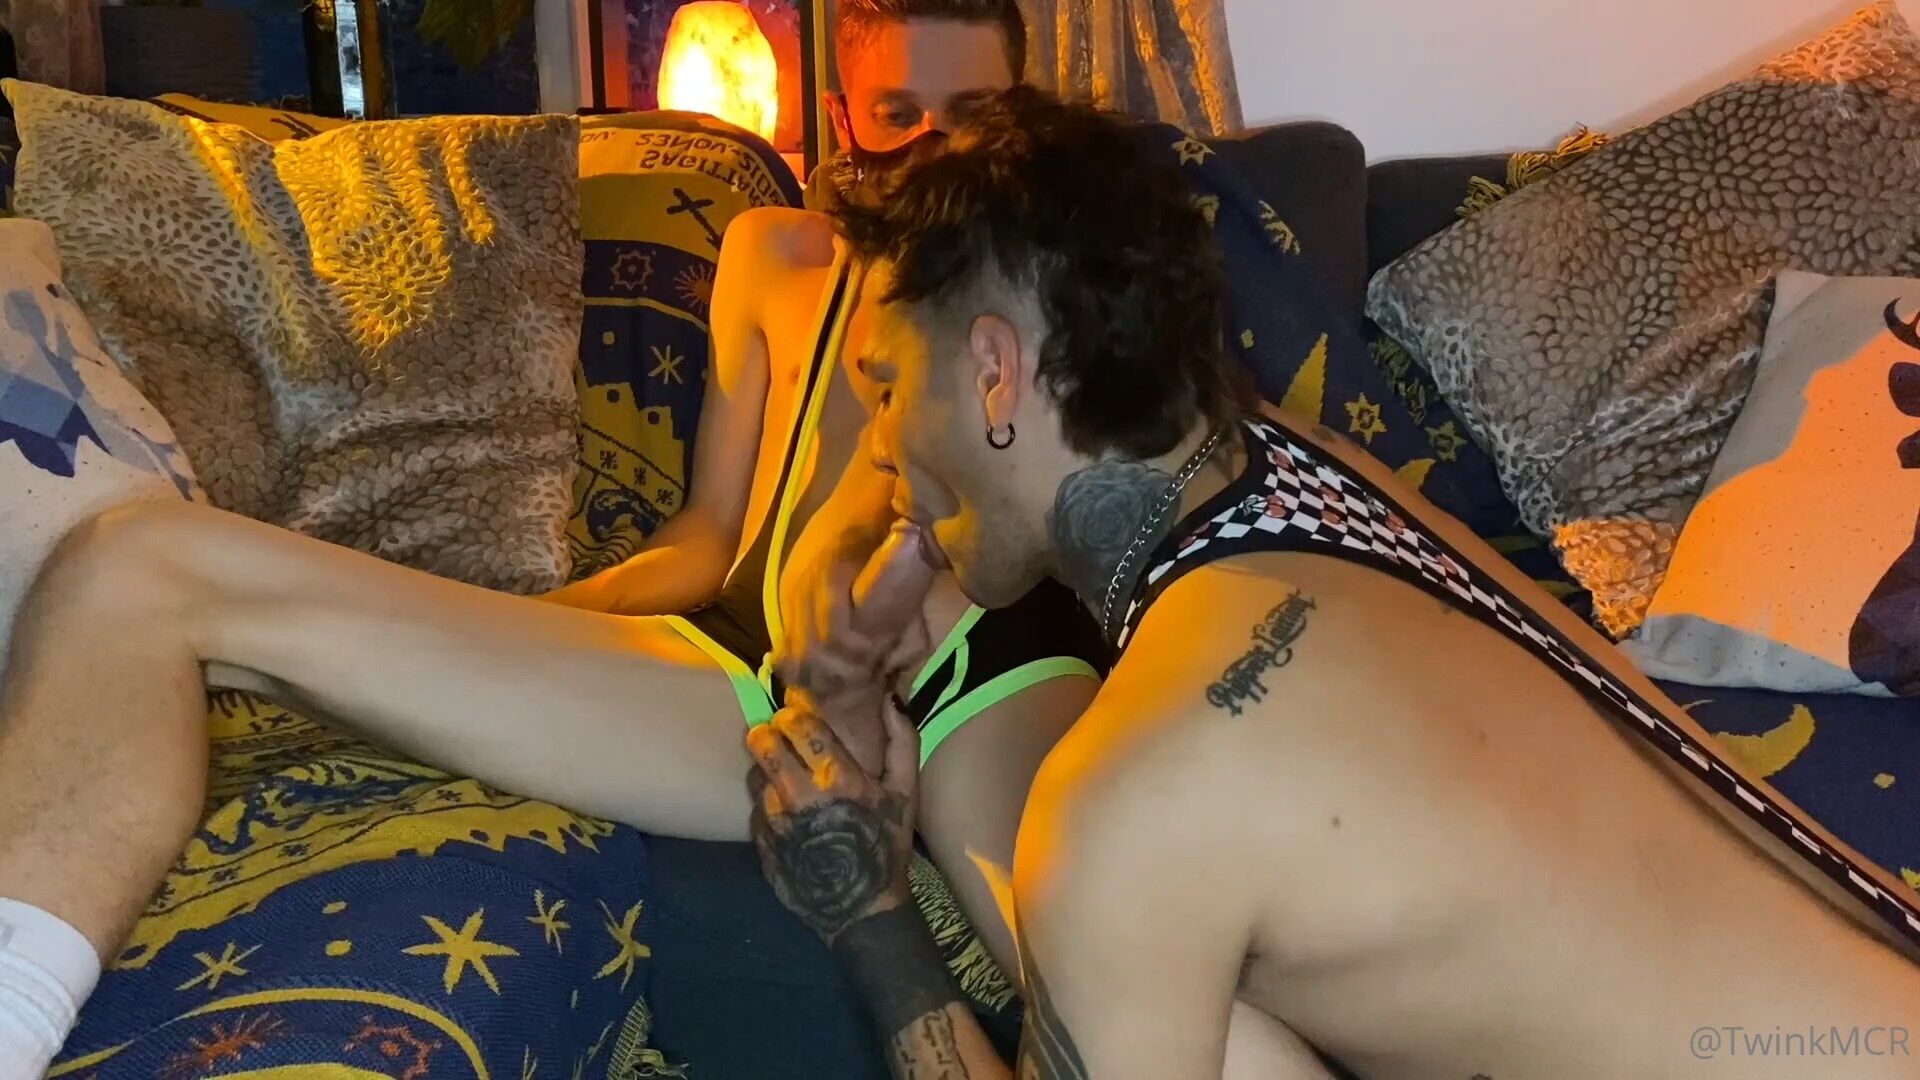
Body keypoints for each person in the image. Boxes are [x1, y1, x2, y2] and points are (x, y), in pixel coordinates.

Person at [0, 2, 1092, 1072]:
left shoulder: (1061, 275)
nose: (937, 147)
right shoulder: (774, 255)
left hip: (978, 674)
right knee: (137, 562)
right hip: (737, 679)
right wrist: (502, 625)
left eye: (973, 114)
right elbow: (707, 538)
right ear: (848, 114)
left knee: (1094, 990)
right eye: (899, 113)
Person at [746, 87, 1920, 1079]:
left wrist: (870, 918)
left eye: (884, 391)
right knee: (1206, 1013)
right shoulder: (1312, 479)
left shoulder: (1132, 803)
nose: (881, 448)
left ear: (996, 374)